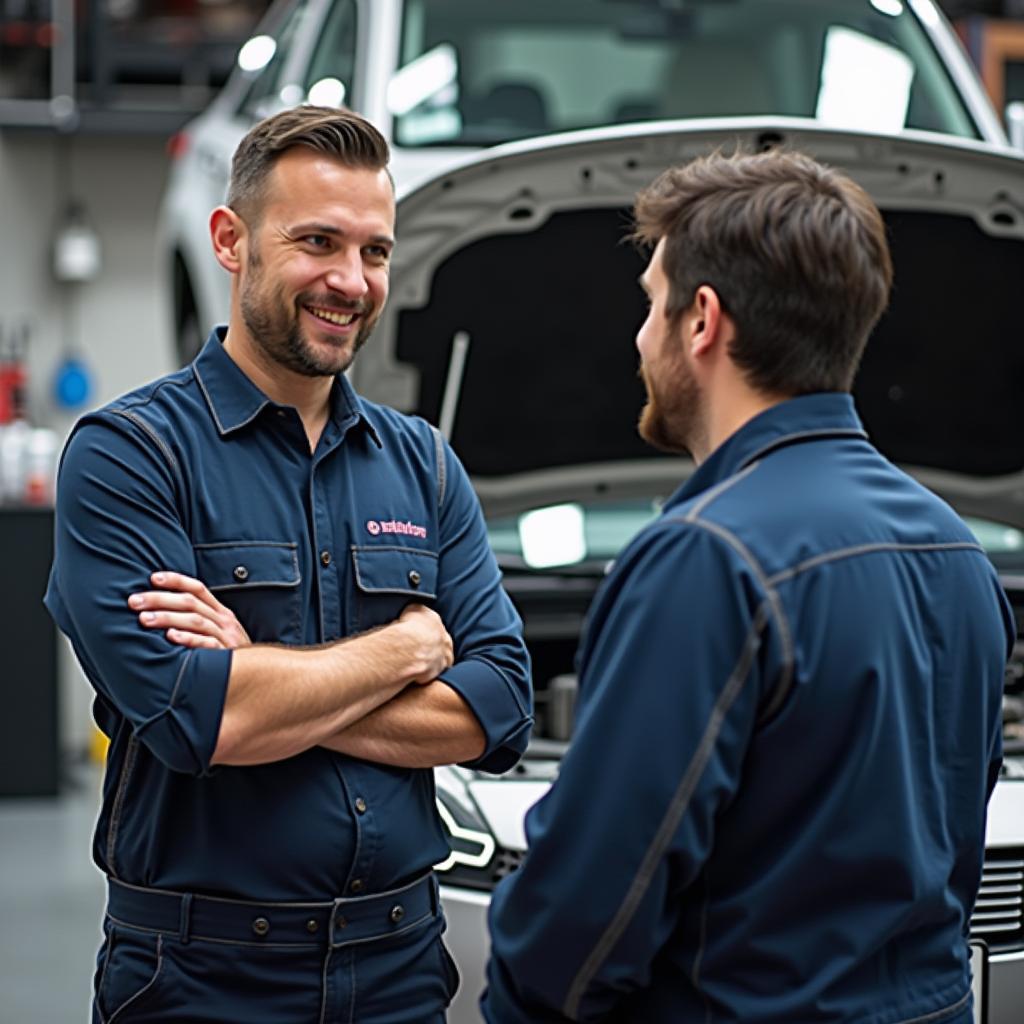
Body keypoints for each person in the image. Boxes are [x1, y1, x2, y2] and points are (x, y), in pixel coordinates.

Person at [481, 149, 1013, 1024]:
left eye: (652, 304)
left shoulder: (705, 558)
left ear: (703, 322)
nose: (640, 336)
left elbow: (588, 907)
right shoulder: (957, 553)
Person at [44, 105, 532, 1024]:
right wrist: (407, 650)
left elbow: (498, 706)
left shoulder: (422, 464)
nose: (350, 281)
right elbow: (200, 720)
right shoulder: (130, 456)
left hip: (400, 964)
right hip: (200, 974)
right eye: (318, 242)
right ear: (231, 241)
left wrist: (262, 679)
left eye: (375, 252)